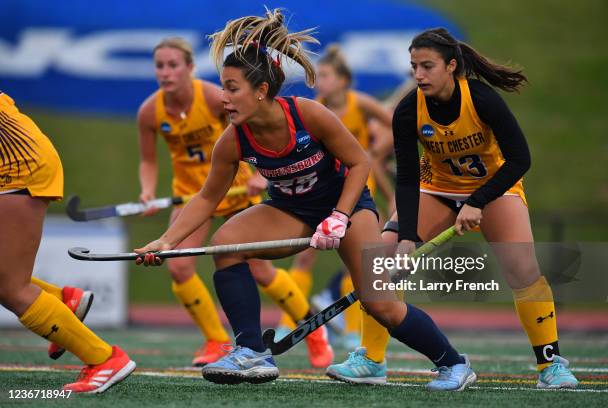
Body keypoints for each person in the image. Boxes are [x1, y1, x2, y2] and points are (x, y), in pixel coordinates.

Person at [135, 9, 475, 391]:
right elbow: (206, 199)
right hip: (290, 209)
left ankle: (453, 364)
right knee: (226, 246)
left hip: (348, 205)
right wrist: (167, 242)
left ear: (261, 90)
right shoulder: (232, 139)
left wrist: (340, 216)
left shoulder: (307, 114)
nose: (224, 99)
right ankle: (250, 352)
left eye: (232, 89)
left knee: (380, 303)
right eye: (223, 88)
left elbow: (360, 162)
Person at [389, 27, 578, 388]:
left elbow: (520, 159)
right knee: (383, 258)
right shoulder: (407, 111)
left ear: (451, 66)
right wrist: (407, 237)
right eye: (414, 66)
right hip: (437, 188)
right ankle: (371, 358)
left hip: (494, 188)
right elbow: (408, 178)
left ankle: (550, 365)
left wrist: (478, 201)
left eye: (427, 66)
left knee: (524, 271)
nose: (418, 75)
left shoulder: (482, 100)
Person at [137, 37, 332, 367]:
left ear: (189, 67)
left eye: (173, 65)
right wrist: (147, 190)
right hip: (194, 194)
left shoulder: (215, 97)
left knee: (261, 272)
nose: (166, 73)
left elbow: (253, 134)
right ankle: (216, 340)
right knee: (179, 265)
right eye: (160, 66)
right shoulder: (150, 112)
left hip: (237, 190)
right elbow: (149, 161)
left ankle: (312, 329)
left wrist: (259, 174)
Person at [0, 91, 135, 393]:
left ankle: (104, 359)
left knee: (11, 288)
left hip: (19, 169)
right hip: (19, 162)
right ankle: (64, 300)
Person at [276, 44, 395, 350]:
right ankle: (288, 324)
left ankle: (353, 330)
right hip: (324, 187)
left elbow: (396, 127)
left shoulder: (362, 104)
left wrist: (380, 148)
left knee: (360, 264)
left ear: (343, 79)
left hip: (357, 188)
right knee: (304, 255)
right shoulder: (316, 109)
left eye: (327, 76)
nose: (322, 82)